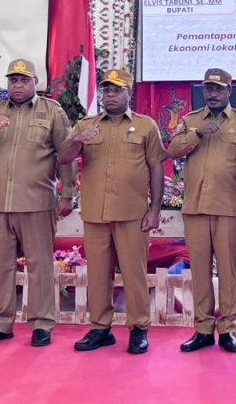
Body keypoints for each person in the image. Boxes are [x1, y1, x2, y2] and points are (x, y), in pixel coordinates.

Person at [0, 58, 77, 348]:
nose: (18, 85)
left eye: (24, 80)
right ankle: (1, 324)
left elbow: (66, 154)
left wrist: (67, 193)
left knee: (40, 266)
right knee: (1, 267)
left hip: (37, 201)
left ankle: (41, 324)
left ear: (35, 82)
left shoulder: (51, 111)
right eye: (13, 80)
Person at [61, 68, 166, 355]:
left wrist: (155, 209)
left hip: (132, 214)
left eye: (117, 90)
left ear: (128, 93)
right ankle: (100, 328)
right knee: (98, 275)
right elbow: (63, 158)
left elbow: (157, 167)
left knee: (134, 274)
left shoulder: (145, 126)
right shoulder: (87, 125)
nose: (110, 95)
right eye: (106, 90)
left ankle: (139, 328)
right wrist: (78, 139)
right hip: (96, 214)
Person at [167, 68, 236, 353]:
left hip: (228, 209)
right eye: (209, 88)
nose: (213, 94)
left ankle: (228, 328)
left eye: (219, 89)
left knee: (228, 271)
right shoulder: (190, 121)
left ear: (229, 91)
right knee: (200, 271)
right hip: (195, 209)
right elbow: (173, 150)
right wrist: (197, 133)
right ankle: (203, 329)